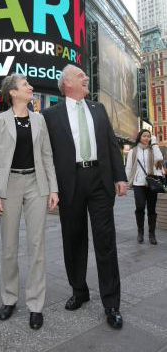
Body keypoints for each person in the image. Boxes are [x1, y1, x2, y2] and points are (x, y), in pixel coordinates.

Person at [43, 64, 128, 330]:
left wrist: (120, 175)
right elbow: (46, 155)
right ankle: (79, 291)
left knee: (106, 241)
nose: (85, 78)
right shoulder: (50, 115)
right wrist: (51, 187)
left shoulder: (98, 109)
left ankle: (111, 303)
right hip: (71, 183)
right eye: (80, 76)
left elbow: (111, 144)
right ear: (67, 83)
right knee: (74, 239)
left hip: (100, 181)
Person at [0, 74, 58, 330]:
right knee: (9, 246)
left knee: (37, 245)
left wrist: (53, 188)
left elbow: (47, 156)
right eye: (25, 84)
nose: (31, 87)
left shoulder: (39, 119)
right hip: (10, 186)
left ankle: (36, 304)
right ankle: (9, 298)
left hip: (36, 184)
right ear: (13, 93)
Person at [125, 130, 163, 245]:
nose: (146, 138)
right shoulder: (133, 151)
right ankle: (140, 232)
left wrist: (155, 143)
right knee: (140, 207)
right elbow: (129, 167)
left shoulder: (153, 149)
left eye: (148, 136)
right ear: (140, 137)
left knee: (152, 209)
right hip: (138, 184)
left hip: (151, 184)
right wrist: (127, 182)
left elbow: (160, 159)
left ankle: (152, 234)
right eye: (144, 136)